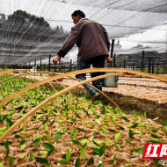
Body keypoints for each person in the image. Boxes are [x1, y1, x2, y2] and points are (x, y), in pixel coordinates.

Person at [53, 10, 113, 101]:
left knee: (80, 75)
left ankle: (93, 92)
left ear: (78, 17)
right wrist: (107, 55)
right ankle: (99, 101)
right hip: (101, 53)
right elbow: (106, 41)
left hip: (87, 53)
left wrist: (59, 55)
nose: (74, 22)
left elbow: (70, 41)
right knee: (97, 77)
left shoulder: (79, 25)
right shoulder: (99, 25)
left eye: (74, 20)